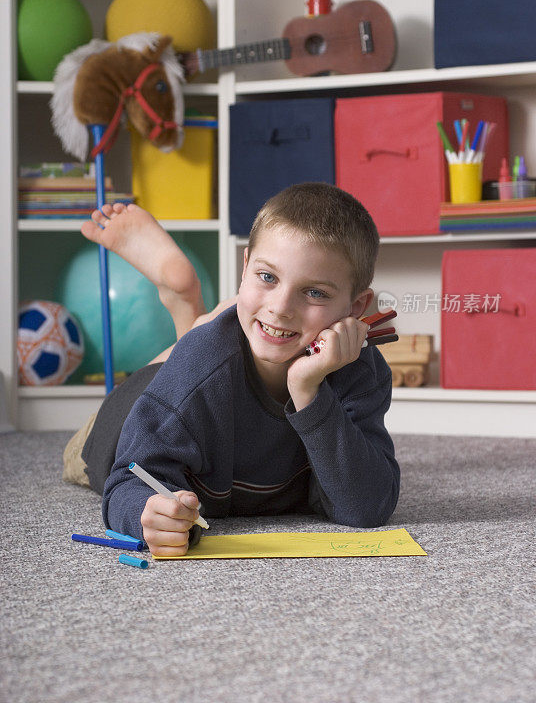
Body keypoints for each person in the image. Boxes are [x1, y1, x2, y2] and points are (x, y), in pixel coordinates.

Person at [64, 183, 399, 557]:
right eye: (267, 277)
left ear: (356, 306)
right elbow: (126, 480)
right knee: (196, 358)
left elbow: (367, 505)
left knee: (220, 343)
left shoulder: (359, 369)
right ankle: (190, 313)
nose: (281, 307)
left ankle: (197, 315)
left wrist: (307, 390)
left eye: (315, 292)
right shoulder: (203, 366)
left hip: (207, 373)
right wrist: (149, 515)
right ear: (244, 268)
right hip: (127, 413)